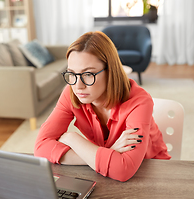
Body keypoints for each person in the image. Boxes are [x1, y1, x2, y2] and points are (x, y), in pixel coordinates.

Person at [34, 31, 170, 182]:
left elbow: (123, 170)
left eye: (88, 74)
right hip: (103, 172)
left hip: (152, 173)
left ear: (111, 71)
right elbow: (40, 147)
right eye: (72, 74)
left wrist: (73, 139)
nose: (78, 86)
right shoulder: (71, 93)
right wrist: (106, 153)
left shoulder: (139, 102)